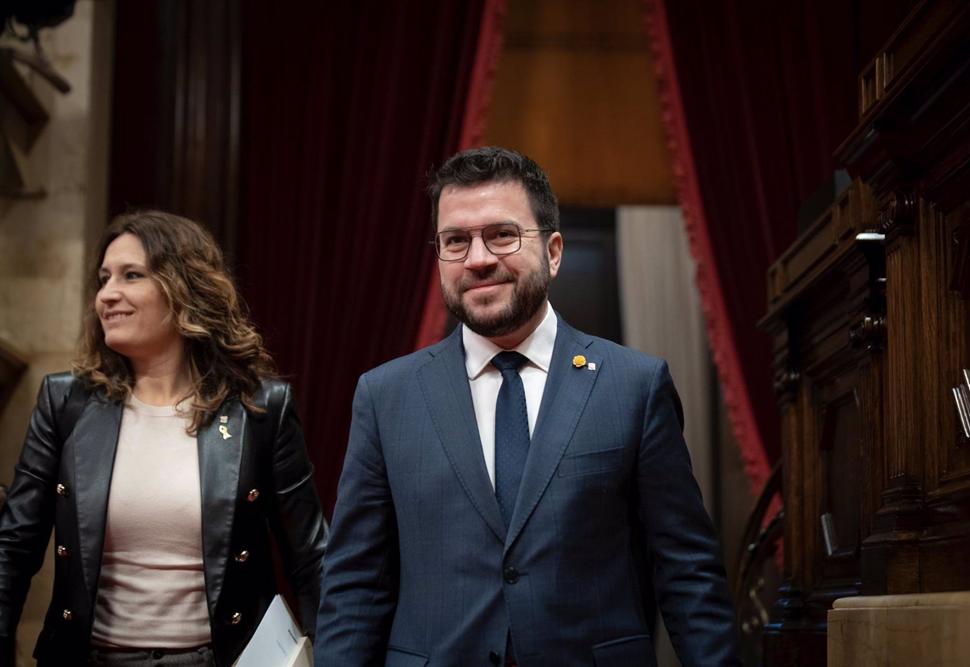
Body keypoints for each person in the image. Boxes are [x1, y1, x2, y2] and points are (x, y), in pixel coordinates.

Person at [316, 147, 739, 665]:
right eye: (456, 241)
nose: (478, 258)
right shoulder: (386, 397)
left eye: (502, 234)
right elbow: (356, 583)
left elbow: (686, 571)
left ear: (553, 252)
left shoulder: (634, 386)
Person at [0, 211, 328, 666]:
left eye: (131, 275)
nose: (107, 295)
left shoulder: (261, 408)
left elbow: (311, 558)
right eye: (103, 278)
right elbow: (12, 550)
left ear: (185, 287)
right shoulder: (65, 403)